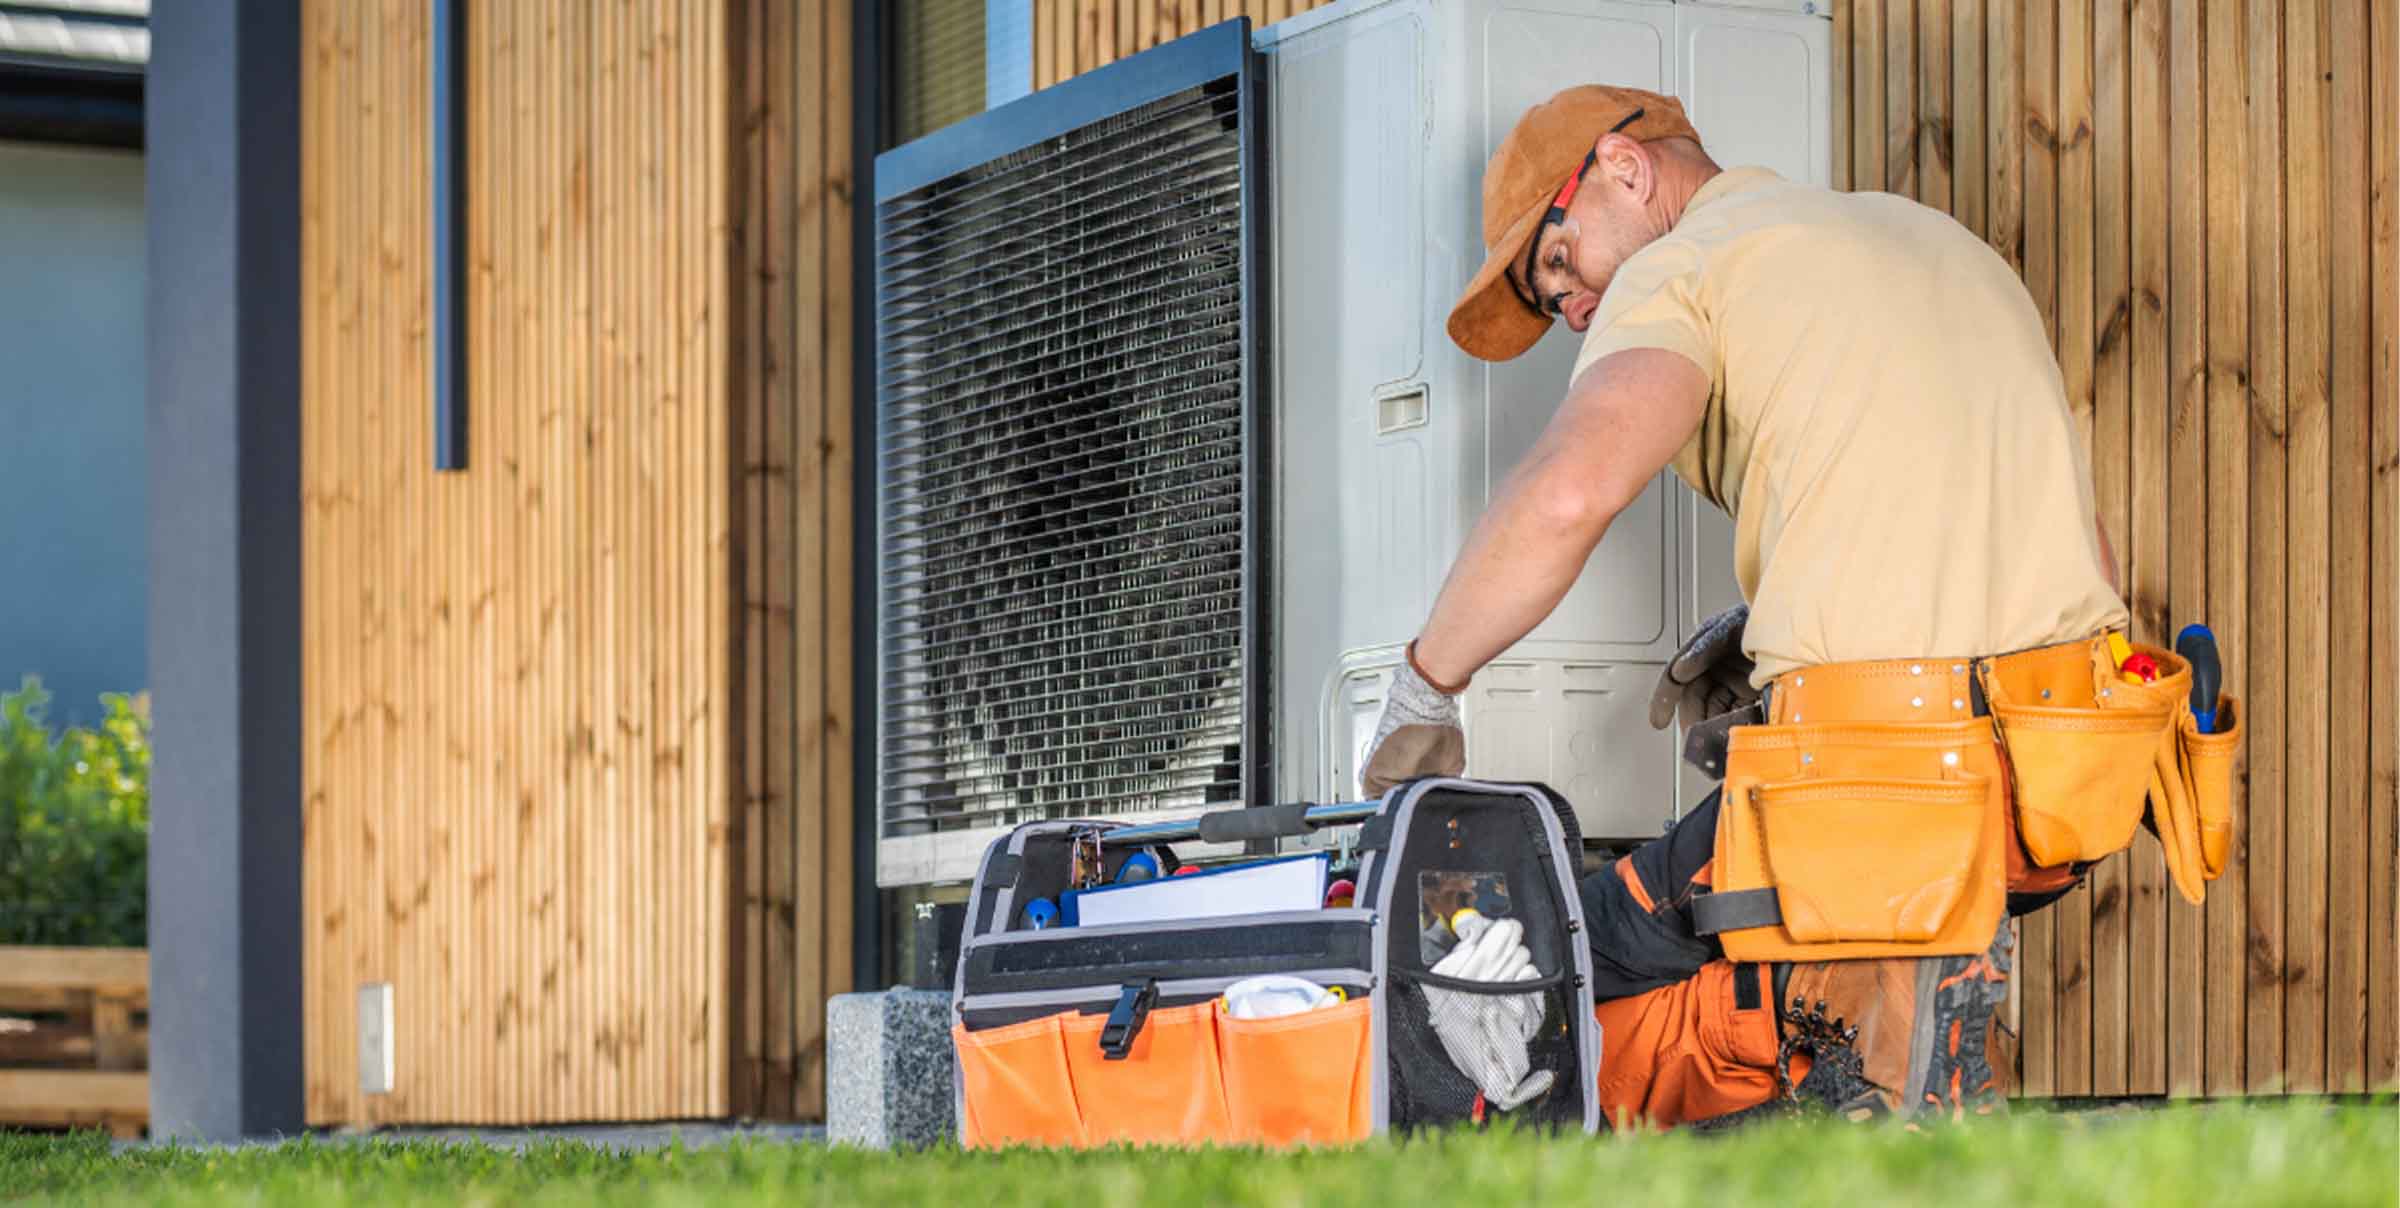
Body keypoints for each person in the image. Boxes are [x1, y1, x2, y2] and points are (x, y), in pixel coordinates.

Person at [1357, 84, 2144, 1125]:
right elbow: (2076, 549)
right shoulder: (1929, 237)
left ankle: (1859, 1039)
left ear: (1624, 171)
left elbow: (1569, 490)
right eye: (1556, 306)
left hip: (1882, 783)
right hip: (2063, 783)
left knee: (1557, 944)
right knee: (1762, 911)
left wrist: (1426, 684)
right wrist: (1795, 617)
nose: (1576, 310)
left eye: (1560, 263)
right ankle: (1889, 1010)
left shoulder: (1685, 263)